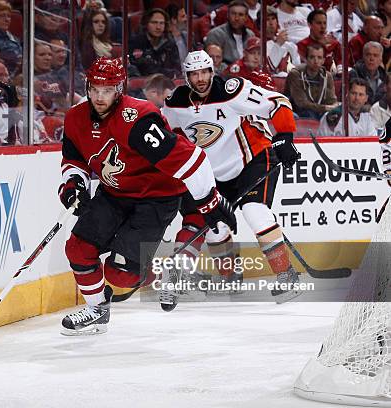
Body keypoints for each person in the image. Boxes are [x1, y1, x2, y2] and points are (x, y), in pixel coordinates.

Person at [58, 57, 235, 335]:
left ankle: (160, 270)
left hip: (156, 196)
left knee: (121, 275)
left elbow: (193, 159)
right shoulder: (75, 118)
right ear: (87, 87)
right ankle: (97, 310)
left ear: (120, 88)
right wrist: (72, 186)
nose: (100, 97)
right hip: (114, 193)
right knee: (78, 249)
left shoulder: (137, 119)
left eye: (107, 90)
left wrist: (208, 200)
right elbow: (74, 161)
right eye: (95, 89)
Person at [162, 50, 302, 304]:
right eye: (194, 74)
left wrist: (285, 135)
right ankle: (226, 277)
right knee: (209, 225)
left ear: (212, 71)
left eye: (205, 72)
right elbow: (171, 137)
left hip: (252, 161)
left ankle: (287, 275)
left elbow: (277, 101)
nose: (201, 78)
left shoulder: (231, 90)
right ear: (186, 77)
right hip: (210, 174)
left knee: (254, 211)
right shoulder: (174, 104)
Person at [285, 43, 338, 119]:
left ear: (323, 61)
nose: (316, 61)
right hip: (297, 111)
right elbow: (301, 103)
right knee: (308, 113)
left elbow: (331, 100)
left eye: (319, 58)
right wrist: (325, 108)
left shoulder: (327, 76)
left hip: (319, 111)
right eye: (312, 57)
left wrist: (334, 106)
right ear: (306, 59)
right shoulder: (295, 74)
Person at [128, 8, 181, 78]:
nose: (158, 27)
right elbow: (144, 68)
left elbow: (177, 69)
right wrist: (167, 73)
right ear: (146, 24)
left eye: (161, 23)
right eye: (154, 22)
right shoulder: (136, 42)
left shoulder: (170, 44)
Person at [204, 0, 256, 65]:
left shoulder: (250, 35)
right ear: (228, 15)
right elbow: (212, 63)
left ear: (246, 18)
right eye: (233, 14)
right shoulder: (215, 34)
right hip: (223, 73)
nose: (236, 18)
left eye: (241, 15)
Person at [297, 9, 342, 73]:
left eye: (324, 23)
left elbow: (341, 66)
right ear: (310, 25)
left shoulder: (334, 44)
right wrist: (321, 46)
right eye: (319, 23)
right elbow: (308, 69)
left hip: (333, 79)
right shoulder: (301, 45)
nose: (323, 27)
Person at [266, 6, 300, 76]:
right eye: (267, 19)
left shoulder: (290, 46)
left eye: (273, 19)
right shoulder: (259, 46)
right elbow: (269, 69)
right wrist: (278, 44)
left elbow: (298, 72)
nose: (271, 22)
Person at [349, 41, 387, 106]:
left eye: (375, 55)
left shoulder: (385, 77)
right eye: (368, 55)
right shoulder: (353, 74)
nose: (371, 59)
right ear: (363, 57)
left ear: (381, 59)